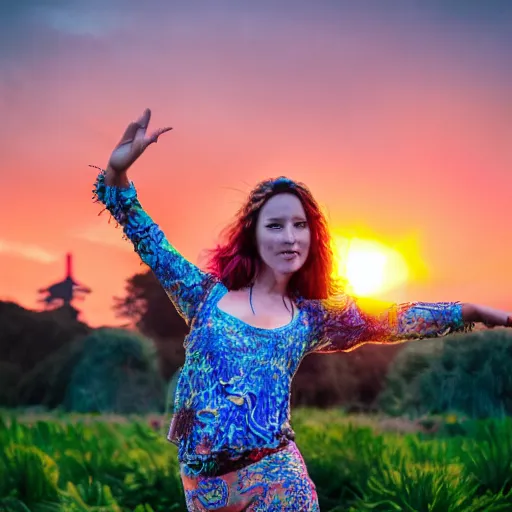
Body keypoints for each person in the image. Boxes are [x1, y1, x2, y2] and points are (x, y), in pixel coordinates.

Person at [91, 108, 511, 512]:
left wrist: (468, 310)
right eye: (275, 225)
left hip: (278, 484)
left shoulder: (311, 317)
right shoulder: (204, 297)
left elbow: (394, 319)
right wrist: (118, 172)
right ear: (252, 236)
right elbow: (147, 237)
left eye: (299, 225)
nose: (290, 237)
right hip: (203, 492)